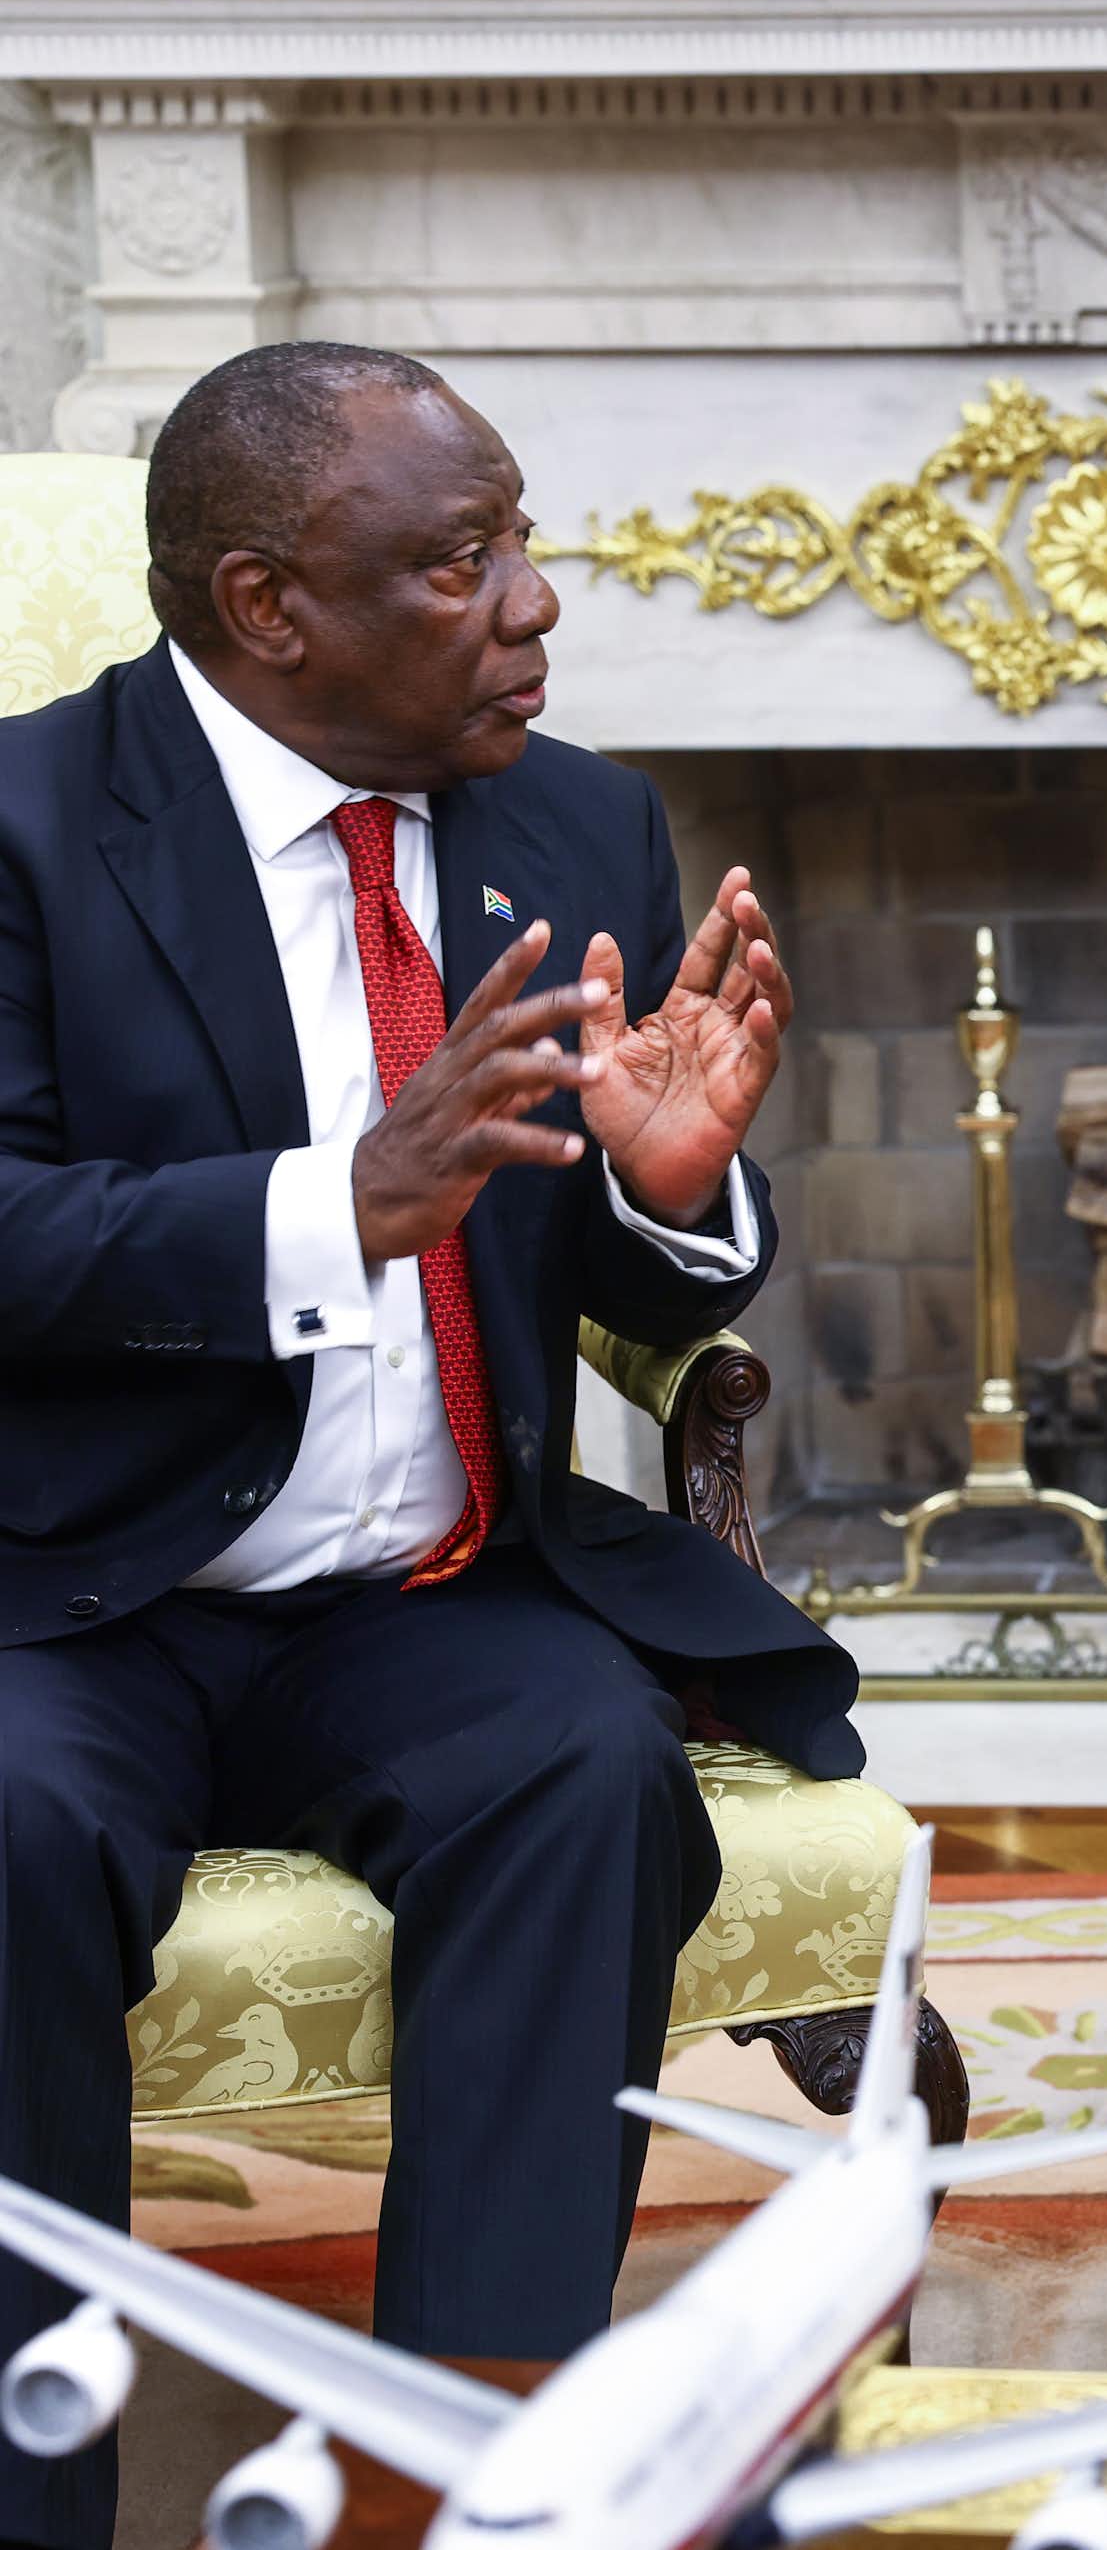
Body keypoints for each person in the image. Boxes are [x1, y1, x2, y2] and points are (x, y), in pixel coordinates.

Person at [0, 341, 863, 2550]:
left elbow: (621, 1279)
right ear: (266, 602)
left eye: (523, 541)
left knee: (585, 1770)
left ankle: (489, 2482)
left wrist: (665, 1195)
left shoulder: (575, 821)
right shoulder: (22, 829)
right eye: (462, 562)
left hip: (421, 1592)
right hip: (65, 1597)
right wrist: (339, 1202)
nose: (535, 606)